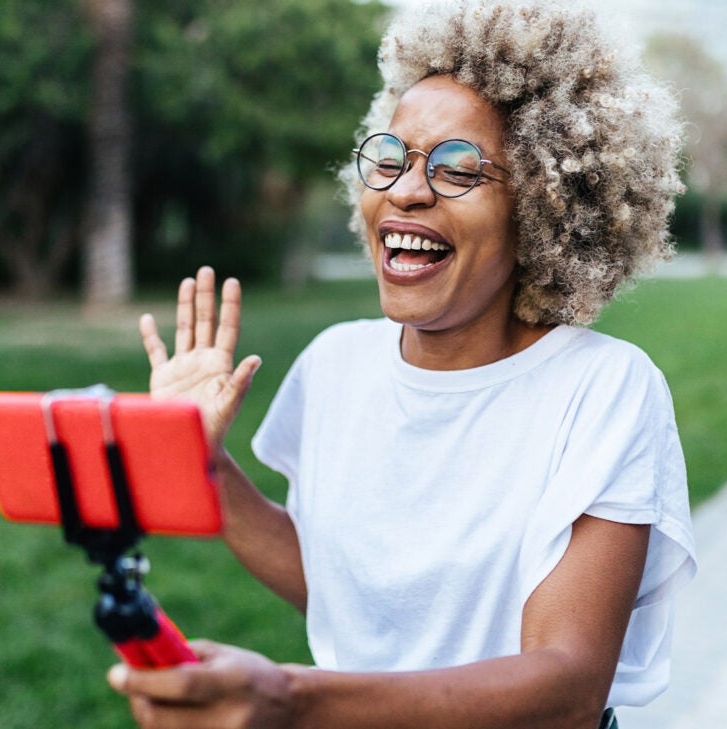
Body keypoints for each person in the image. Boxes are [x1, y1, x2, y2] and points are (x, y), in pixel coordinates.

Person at [109, 1, 696, 727]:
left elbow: (566, 688)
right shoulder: (335, 365)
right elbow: (343, 588)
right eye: (390, 157)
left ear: (545, 206)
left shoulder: (603, 389)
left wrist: (292, 700)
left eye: (457, 170)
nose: (405, 190)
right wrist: (201, 461)